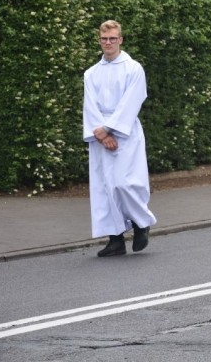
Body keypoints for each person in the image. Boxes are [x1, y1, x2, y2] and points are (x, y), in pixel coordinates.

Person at [83, 20, 156, 257]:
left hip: (125, 134)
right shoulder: (91, 73)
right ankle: (114, 239)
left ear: (120, 39)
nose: (108, 43)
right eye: (104, 39)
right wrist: (101, 134)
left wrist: (111, 130)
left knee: (125, 183)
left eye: (112, 38)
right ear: (99, 40)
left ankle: (140, 224)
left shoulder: (133, 69)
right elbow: (90, 107)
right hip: (100, 136)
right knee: (104, 187)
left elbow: (132, 102)